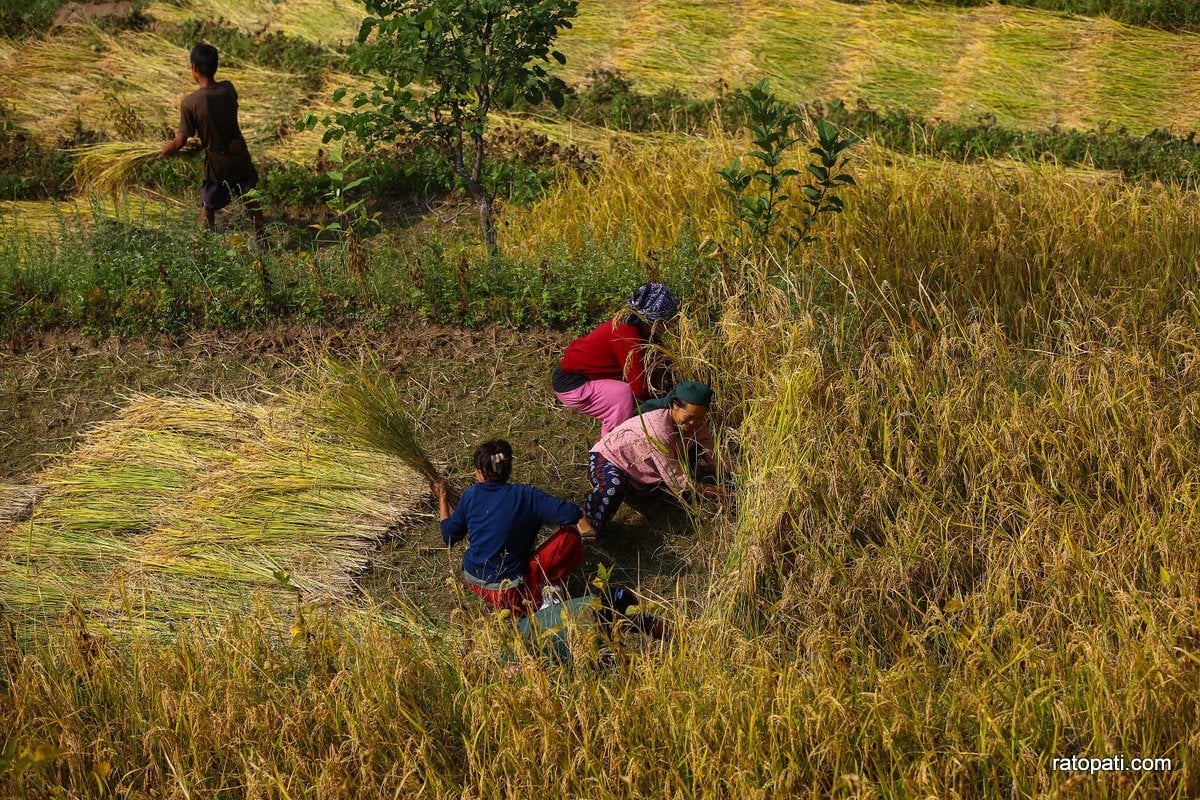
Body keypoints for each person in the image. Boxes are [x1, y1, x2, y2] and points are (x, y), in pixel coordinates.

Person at [433, 440, 597, 615]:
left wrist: (442, 497)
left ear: (481, 473)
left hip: (475, 582)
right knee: (570, 535)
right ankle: (547, 594)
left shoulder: (471, 495)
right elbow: (571, 514)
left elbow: (448, 535)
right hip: (511, 591)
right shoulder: (526, 495)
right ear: (509, 468)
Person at [584, 381, 728, 537]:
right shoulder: (658, 430)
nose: (693, 423)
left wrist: (734, 472)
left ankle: (642, 489)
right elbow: (676, 480)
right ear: (675, 405)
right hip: (608, 459)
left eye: (700, 418)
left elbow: (711, 451)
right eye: (689, 417)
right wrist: (714, 491)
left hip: (642, 463)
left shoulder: (696, 423)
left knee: (692, 451)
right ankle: (588, 525)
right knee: (613, 487)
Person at [161, 43, 265, 240]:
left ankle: (206, 245)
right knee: (249, 196)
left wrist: (165, 152)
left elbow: (181, 140)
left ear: (195, 68)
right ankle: (262, 239)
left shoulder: (191, 103)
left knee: (207, 204)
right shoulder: (228, 89)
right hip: (239, 154)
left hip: (218, 163)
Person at [553, 283, 679, 440]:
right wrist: (662, 406)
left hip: (587, 379)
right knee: (623, 396)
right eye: (667, 320)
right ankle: (609, 450)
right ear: (655, 319)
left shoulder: (640, 331)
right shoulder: (628, 334)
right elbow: (639, 388)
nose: (670, 325)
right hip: (574, 384)